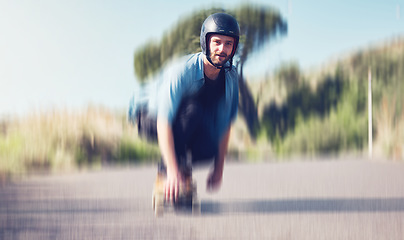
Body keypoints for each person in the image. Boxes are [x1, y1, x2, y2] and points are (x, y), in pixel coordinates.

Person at [128, 13, 240, 202]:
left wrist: (218, 169)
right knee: (193, 111)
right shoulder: (182, 71)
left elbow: (224, 125)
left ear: (234, 47)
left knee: (210, 144)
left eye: (228, 44)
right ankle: (169, 175)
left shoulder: (230, 77)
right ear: (206, 43)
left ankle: (182, 171)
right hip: (148, 114)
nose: (222, 49)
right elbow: (164, 120)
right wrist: (171, 170)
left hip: (187, 118)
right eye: (217, 42)